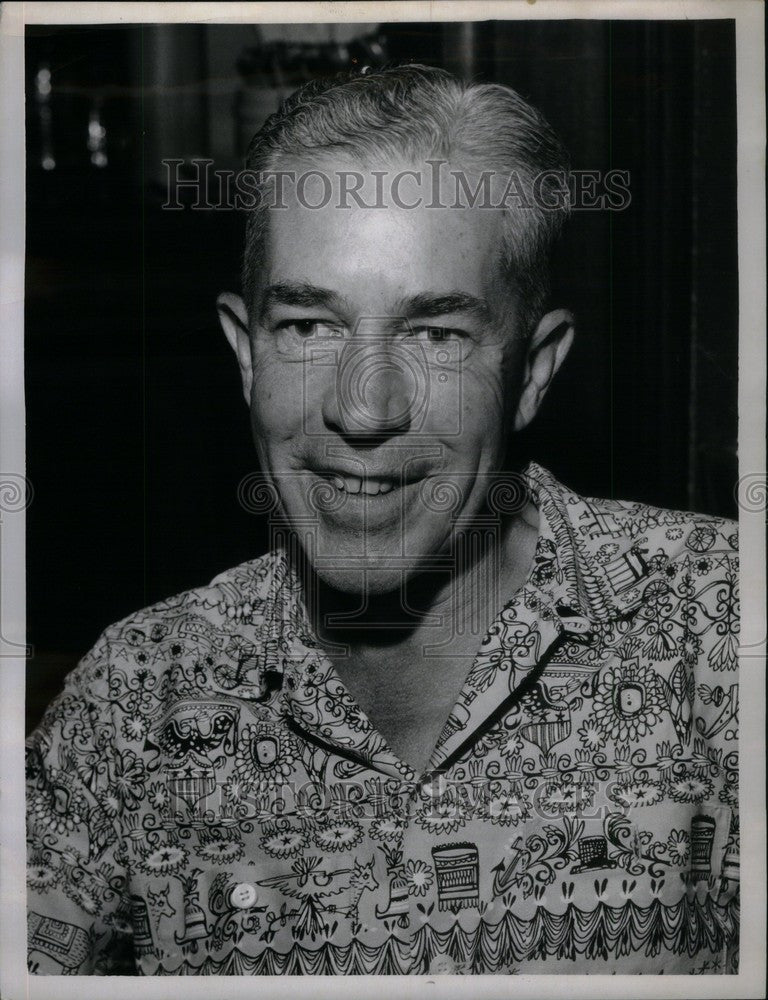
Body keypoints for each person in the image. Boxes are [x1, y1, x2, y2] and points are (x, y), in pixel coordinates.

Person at [26, 64, 739, 976]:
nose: (364, 413)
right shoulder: (135, 703)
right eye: (309, 326)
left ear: (533, 371)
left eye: (436, 334)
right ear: (247, 356)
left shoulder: (722, 633)